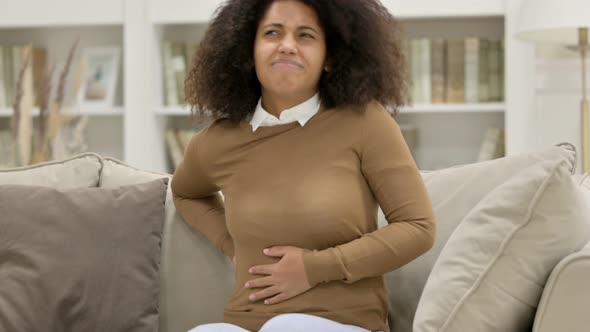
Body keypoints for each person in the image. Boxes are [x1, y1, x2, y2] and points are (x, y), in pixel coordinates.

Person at [171, 0, 436, 331]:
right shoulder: (217, 142)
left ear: (331, 56)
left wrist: (314, 268)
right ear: (247, 51)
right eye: (272, 33)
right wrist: (230, 244)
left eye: (306, 35)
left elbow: (418, 227)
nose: (287, 46)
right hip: (247, 321)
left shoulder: (366, 122)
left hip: (343, 321)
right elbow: (185, 193)